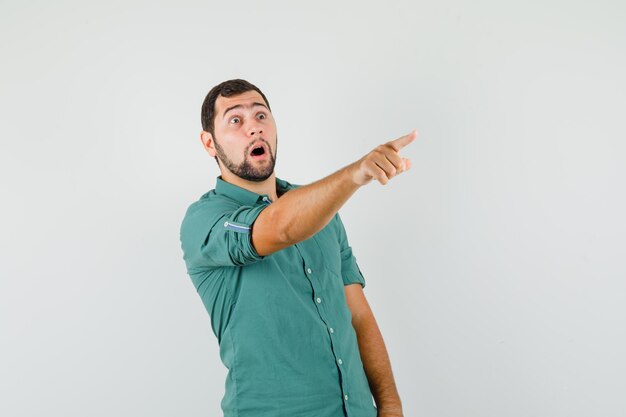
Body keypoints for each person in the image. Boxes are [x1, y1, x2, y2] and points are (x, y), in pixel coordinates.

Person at [179, 79, 416, 417]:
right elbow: (278, 227)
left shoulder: (324, 211)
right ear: (209, 143)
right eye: (235, 120)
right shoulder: (205, 220)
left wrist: (390, 405)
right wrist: (354, 174)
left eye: (261, 116)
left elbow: (359, 316)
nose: (253, 129)